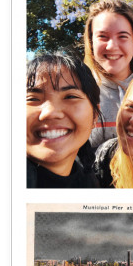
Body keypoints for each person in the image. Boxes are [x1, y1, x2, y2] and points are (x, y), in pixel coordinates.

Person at [83, 0, 133, 149]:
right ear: (91, 42)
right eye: (103, 36)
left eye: (122, 36)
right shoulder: (78, 91)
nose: (112, 46)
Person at [27, 51, 102, 188]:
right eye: (33, 99)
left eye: (70, 97)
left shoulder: (90, 183)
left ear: (94, 116)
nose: (50, 113)